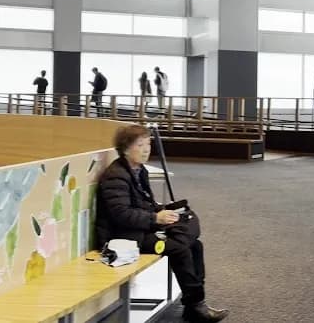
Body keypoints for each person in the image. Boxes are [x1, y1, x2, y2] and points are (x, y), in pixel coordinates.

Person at [94, 125, 229, 322]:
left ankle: (194, 304)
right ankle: (195, 306)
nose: (146, 149)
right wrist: (155, 218)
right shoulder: (116, 175)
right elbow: (121, 215)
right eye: (140, 145)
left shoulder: (138, 170)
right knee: (180, 247)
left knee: (195, 245)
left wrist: (161, 211)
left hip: (139, 229)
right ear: (124, 149)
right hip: (123, 238)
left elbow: (144, 203)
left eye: (148, 144)